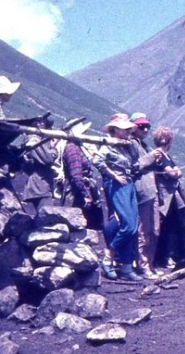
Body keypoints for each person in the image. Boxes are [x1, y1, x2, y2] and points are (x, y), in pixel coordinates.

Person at [93, 113, 141, 281]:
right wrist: (114, 175)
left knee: (133, 226)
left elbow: (135, 163)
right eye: (124, 129)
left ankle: (126, 266)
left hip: (129, 183)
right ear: (115, 129)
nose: (128, 131)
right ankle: (109, 256)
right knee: (127, 224)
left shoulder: (127, 146)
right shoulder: (107, 145)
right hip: (116, 184)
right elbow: (97, 161)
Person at [151, 126, 185, 270]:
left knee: (178, 224)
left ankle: (180, 254)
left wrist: (176, 172)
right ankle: (164, 257)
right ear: (168, 140)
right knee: (167, 227)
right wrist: (177, 172)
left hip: (174, 196)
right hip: (166, 196)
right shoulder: (160, 156)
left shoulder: (166, 156)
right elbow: (173, 173)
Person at [129, 112, 161, 279]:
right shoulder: (131, 144)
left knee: (154, 230)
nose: (146, 130)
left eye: (147, 126)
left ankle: (150, 263)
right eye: (142, 127)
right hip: (142, 192)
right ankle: (143, 265)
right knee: (144, 231)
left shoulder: (144, 145)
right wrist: (151, 158)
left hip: (151, 191)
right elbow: (133, 166)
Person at [62, 122, 103, 230]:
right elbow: (76, 175)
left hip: (83, 190)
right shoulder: (72, 148)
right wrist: (86, 195)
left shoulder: (77, 147)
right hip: (78, 194)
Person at [20, 117, 57, 216]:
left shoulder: (35, 140)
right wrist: (53, 149)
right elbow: (48, 159)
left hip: (39, 184)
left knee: (43, 215)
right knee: (47, 216)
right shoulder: (33, 140)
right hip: (39, 185)